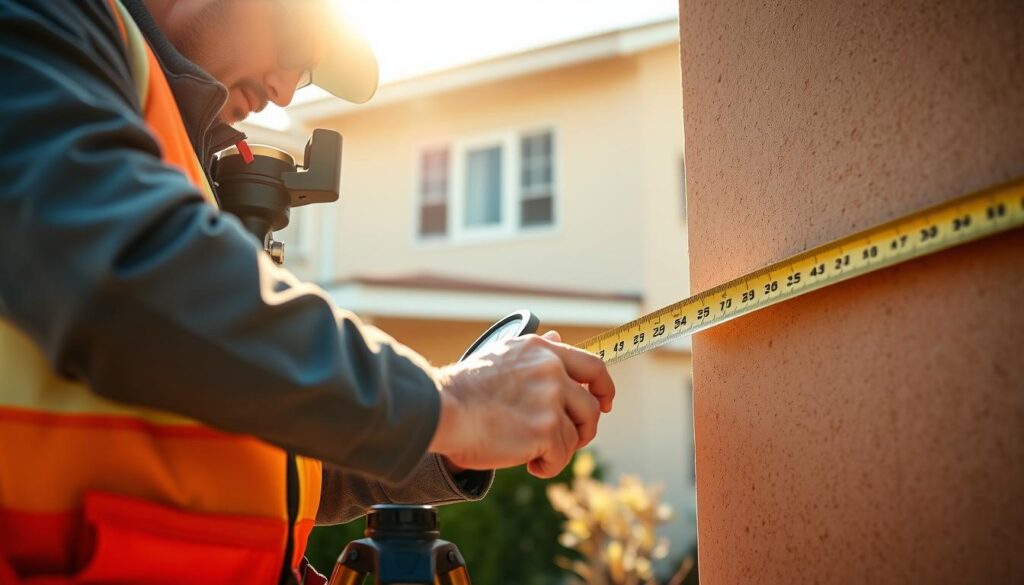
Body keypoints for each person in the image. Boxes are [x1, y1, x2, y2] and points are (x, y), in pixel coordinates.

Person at [0, 0, 615, 583]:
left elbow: (266, 438)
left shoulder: (157, 136)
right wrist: (453, 402)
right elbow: (125, 277)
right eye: (295, 35)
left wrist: (449, 441)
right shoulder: (45, 23)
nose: (286, 91)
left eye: (309, 69)